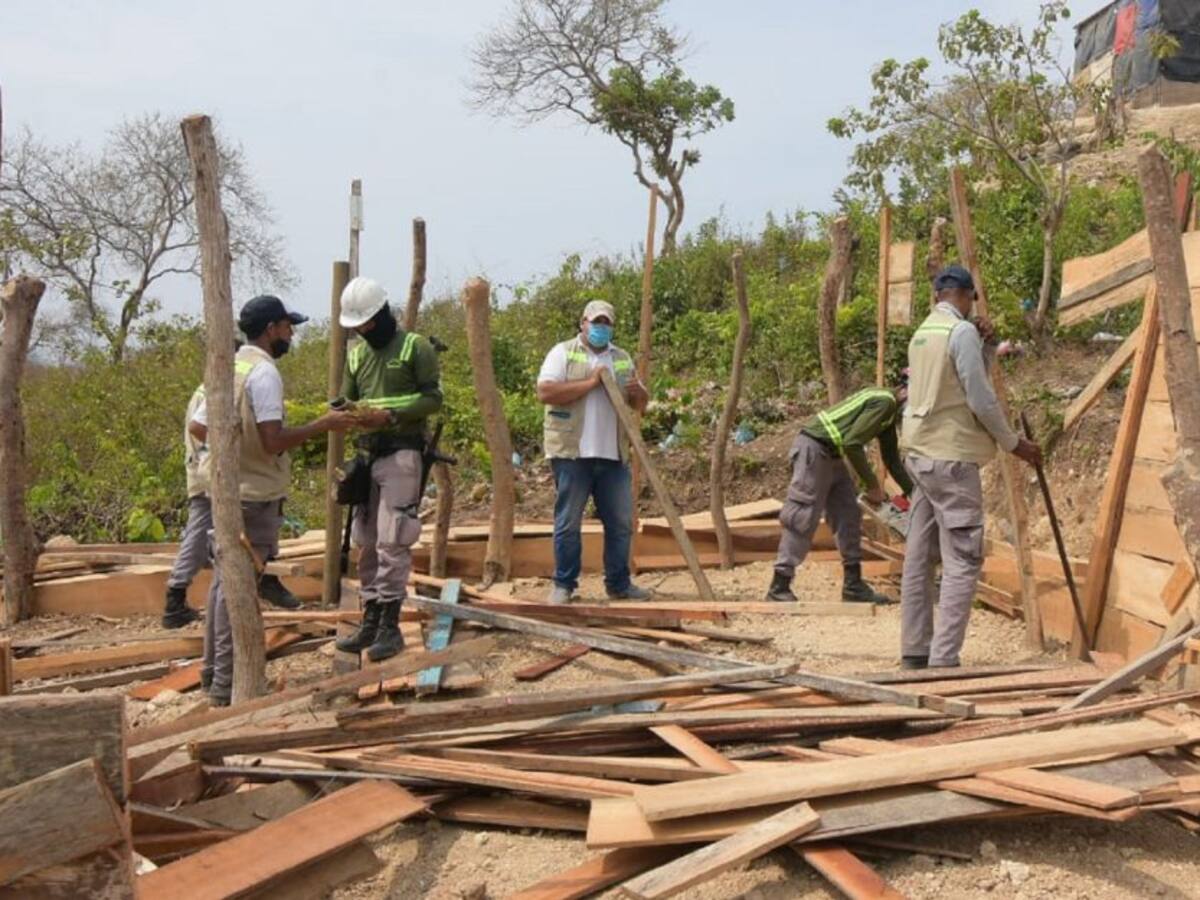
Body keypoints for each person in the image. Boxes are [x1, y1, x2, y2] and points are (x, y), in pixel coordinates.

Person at [190, 295, 352, 704]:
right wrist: (324, 424)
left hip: (226, 492)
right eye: (286, 327)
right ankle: (228, 686)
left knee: (223, 585)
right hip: (253, 496)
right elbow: (273, 440)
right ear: (270, 330)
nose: (291, 334)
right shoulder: (263, 373)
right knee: (238, 589)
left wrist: (232, 454)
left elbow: (198, 427)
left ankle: (213, 674)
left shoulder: (230, 367)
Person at [899, 266, 1042, 670]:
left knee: (919, 557)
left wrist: (986, 345)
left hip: (919, 455)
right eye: (972, 298)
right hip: (951, 458)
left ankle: (915, 651)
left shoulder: (925, 331)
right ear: (964, 295)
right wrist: (1015, 444)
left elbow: (961, 378)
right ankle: (944, 662)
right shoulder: (958, 332)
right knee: (963, 559)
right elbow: (979, 398)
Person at [333, 277, 444, 662]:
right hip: (367, 456)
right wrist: (346, 411)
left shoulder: (415, 347)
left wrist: (392, 414)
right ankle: (370, 617)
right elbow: (349, 399)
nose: (362, 330)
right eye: (356, 325)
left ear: (382, 314)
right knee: (365, 540)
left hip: (401, 453)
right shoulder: (355, 355)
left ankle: (389, 625)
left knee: (393, 539)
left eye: (366, 323)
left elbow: (433, 399)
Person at [536, 299, 651, 604]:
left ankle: (618, 584)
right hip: (572, 453)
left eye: (606, 323)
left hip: (612, 455)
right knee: (568, 522)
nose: (600, 327)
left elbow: (639, 404)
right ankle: (564, 585)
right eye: (595, 321)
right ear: (582, 323)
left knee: (621, 522)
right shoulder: (563, 352)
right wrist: (590, 383)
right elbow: (545, 392)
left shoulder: (622, 358)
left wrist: (640, 394)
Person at [766, 383, 913, 604]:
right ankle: (779, 585)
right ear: (904, 391)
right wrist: (873, 485)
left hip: (833, 455)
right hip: (814, 449)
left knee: (848, 515)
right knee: (802, 516)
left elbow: (891, 459)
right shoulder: (885, 402)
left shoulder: (888, 415)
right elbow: (852, 442)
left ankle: (853, 586)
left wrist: (916, 493)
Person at [161, 383, 209, 628]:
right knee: (198, 534)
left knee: (203, 535)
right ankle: (175, 599)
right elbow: (199, 429)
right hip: (206, 472)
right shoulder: (215, 389)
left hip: (201, 468)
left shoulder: (204, 388)